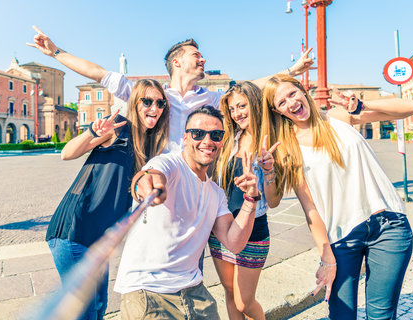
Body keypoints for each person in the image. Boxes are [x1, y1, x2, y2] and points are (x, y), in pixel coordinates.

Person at [261, 74, 413, 319]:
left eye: (292, 94)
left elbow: (411, 107)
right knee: (341, 315)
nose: (291, 103)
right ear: (277, 110)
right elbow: (308, 208)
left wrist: (362, 106)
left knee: (381, 315)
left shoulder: (339, 116)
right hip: (342, 239)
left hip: (389, 227)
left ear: (302, 90)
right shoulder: (287, 147)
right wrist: (326, 258)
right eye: (281, 102)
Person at [27, 26, 314, 151]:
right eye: (195, 55)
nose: (202, 59)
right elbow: (99, 73)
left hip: (198, 180)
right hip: (158, 180)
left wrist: (290, 72)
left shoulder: (212, 98)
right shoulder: (152, 97)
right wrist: (56, 53)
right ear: (177, 62)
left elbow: (250, 87)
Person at [114, 105, 260, 319]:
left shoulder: (216, 193)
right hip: (148, 291)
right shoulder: (170, 164)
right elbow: (149, 174)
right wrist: (147, 186)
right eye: (198, 134)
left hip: (194, 292)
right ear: (184, 138)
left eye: (216, 135)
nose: (207, 141)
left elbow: (234, 242)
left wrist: (251, 199)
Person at [45, 79, 170, 320]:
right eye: (147, 101)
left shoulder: (151, 144)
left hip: (100, 241)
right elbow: (66, 153)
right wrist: (93, 132)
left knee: (98, 309)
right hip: (75, 232)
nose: (154, 108)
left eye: (160, 103)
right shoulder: (118, 129)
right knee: (86, 312)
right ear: (135, 103)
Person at [210, 81, 281, 320]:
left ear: (255, 104)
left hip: (253, 229)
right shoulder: (229, 139)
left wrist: (268, 170)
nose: (237, 113)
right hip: (221, 227)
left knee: (244, 302)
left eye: (242, 106)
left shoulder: (271, 143)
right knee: (230, 294)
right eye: (232, 109)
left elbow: (273, 201)